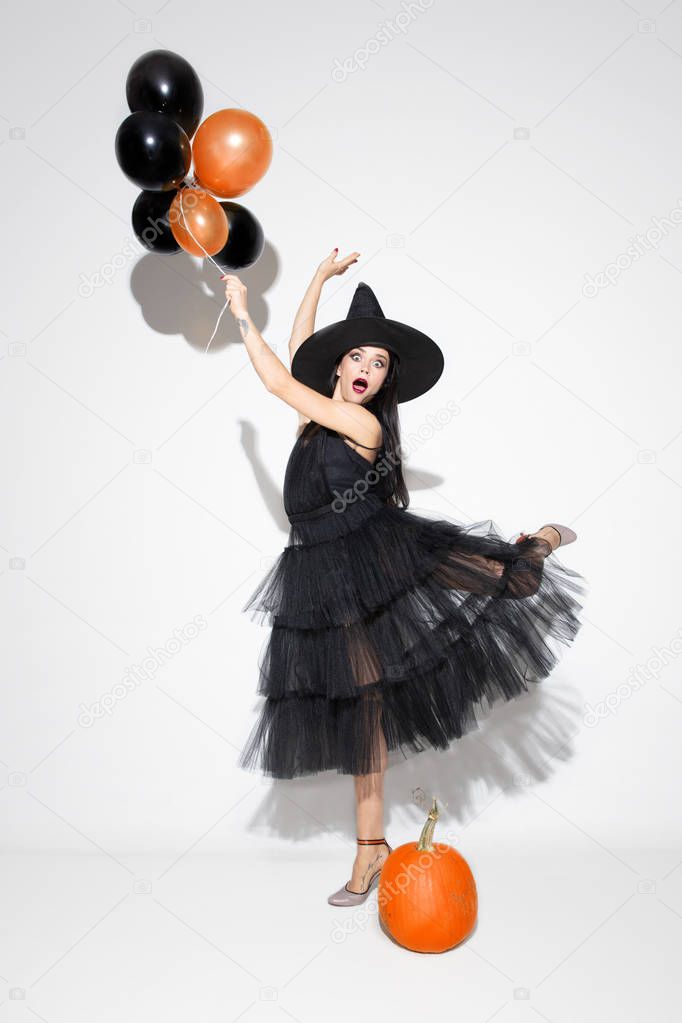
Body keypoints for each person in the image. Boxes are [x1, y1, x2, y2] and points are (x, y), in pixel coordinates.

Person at [221, 249, 587, 906]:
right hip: (325, 575)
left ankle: (541, 540)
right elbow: (299, 352)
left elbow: (280, 379)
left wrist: (242, 314)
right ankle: (370, 851)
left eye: (378, 362)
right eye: (356, 357)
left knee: (517, 583)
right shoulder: (313, 419)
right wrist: (315, 280)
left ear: (386, 380)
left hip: (382, 553)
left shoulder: (358, 424)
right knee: (363, 710)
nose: (365, 369)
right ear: (338, 366)